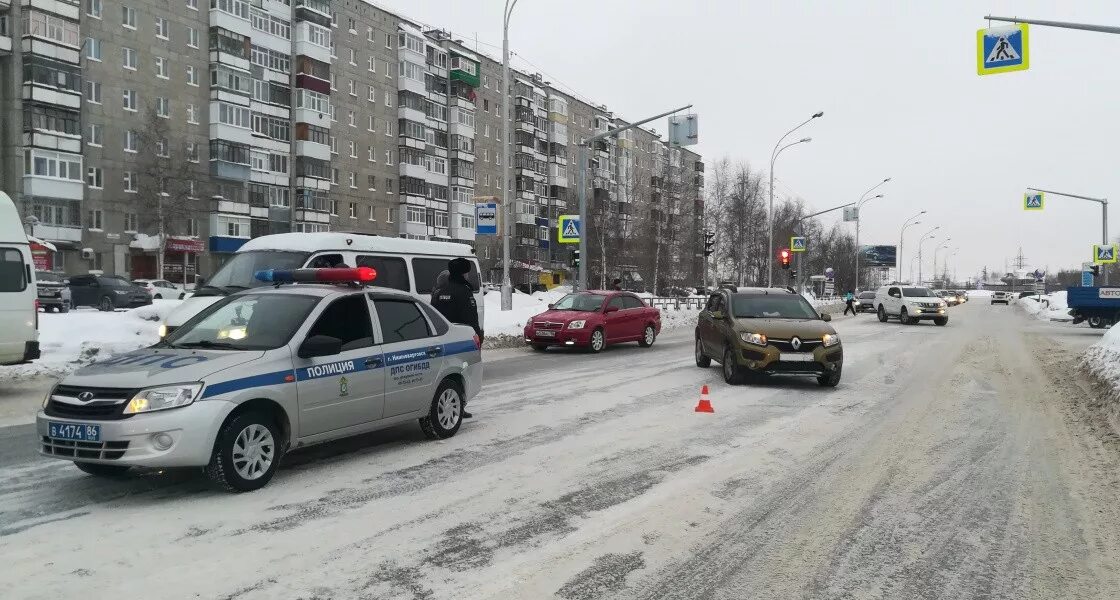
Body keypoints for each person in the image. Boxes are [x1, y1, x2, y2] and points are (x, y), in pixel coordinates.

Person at [431, 258, 482, 419]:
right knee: (462, 372)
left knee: (444, 374)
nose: (468, 275)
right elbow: (471, 318)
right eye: (467, 272)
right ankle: (459, 405)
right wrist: (478, 336)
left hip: (442, 339)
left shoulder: (439, 292)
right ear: (463, 273)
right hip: (461, 340)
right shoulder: (464, 291)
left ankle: (443, 403)